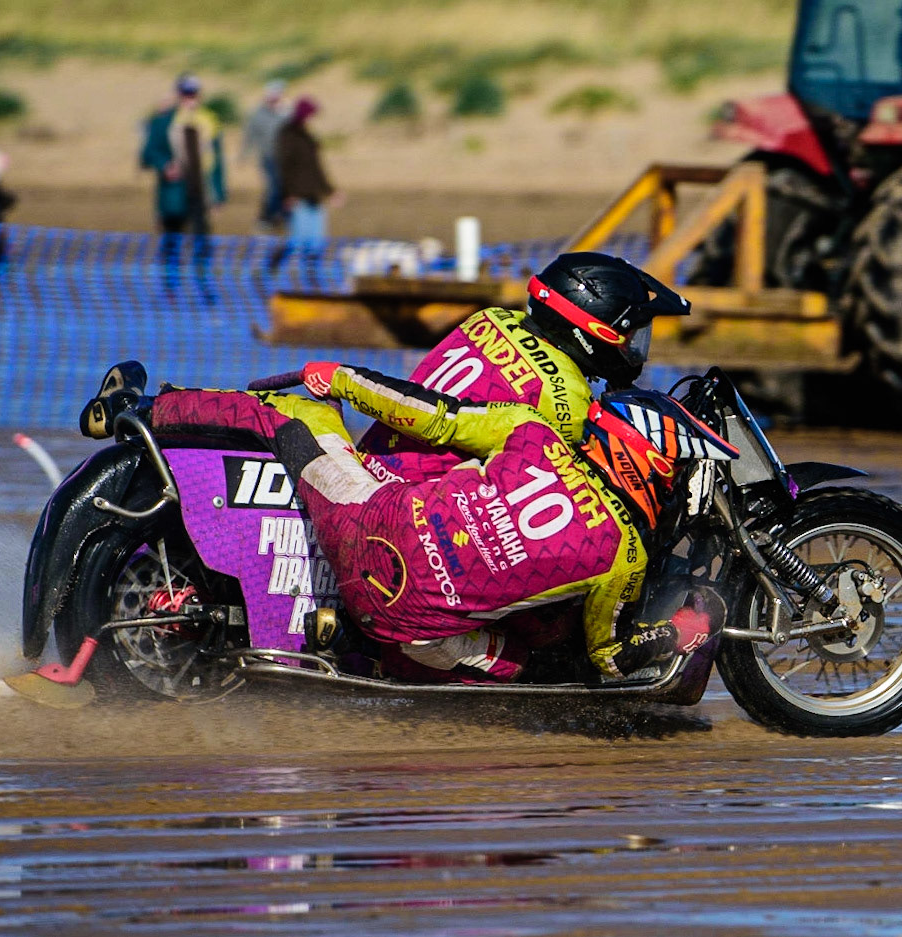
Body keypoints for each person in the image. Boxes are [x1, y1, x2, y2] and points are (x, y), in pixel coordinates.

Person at [98, 364, 725, 684]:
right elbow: (610, 658)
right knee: (532, 665)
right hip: (407, 631)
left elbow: (435, 418)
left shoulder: (530, 433)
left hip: (358, 521)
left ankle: (145, 410)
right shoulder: (625, 556)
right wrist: (681, 631)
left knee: (290, 415)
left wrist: (341, 380)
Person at [357, 251, 691, 484]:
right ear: (595, 331)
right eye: (628, 335)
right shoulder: (566, 398)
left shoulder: (491, 318)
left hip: (371, 463)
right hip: (417, 504)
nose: (631, 348)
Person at [140, 73, 227, 297]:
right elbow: (148, 153)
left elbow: (217, 162)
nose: (190, 98)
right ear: (178, 95)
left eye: (194, 94)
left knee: (202, 241)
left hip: (200, 191)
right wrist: (165, 165)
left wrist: (218, 195)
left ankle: (204, 285)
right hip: (173, 194)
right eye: (186, 94)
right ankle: (171, 285)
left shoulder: (209, 121)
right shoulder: (163, 122)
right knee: (172, 241)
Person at [270, 96, 335, 285]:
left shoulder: (308, 137)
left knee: (316, 244)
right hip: (297, 196)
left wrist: (330, 191)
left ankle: (313, 280)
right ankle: (271, 269)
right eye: (310, 115)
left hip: (314, 196)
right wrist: (288, 194)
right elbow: (284, 167)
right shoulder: (287, 135)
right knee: (296, 241)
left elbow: (317, 168)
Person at [239, 80, 288, 231]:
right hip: (267, 157)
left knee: (284, 187)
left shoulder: (286, 112)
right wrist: (243, 155)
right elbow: (249, 135)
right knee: (273, 188)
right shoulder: (257, 114)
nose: (274, 97)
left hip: (285, 158)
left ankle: (282, 216)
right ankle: (265, 218)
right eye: (272, 94)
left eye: (277, 94)